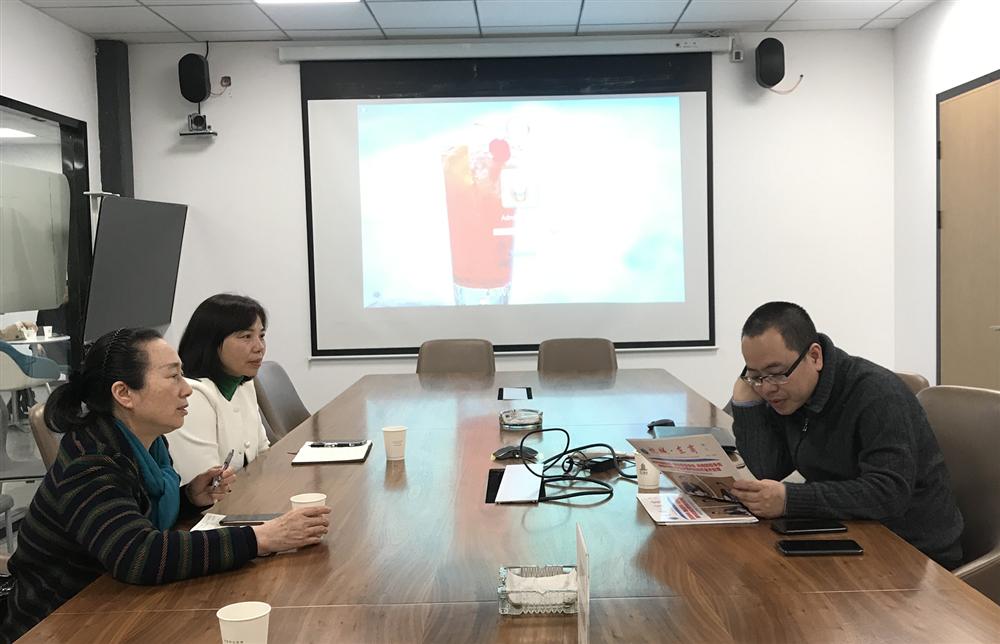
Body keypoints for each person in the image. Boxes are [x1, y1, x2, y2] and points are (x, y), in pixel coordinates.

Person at [0, 328, 329, 641]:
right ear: (124, 393)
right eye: (173, 376)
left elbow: (130, 514)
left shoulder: (151, 443)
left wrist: (188, 498)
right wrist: (261, 538)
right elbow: (137, 554)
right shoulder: (91, 461)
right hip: (60, 622)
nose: (187, 389)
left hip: (115, 602)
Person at [728, 301, 964, 569]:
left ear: (814, 357)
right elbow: (768, 468)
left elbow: (888, 493)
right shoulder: (791, 394)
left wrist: (789, 500)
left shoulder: (877, 395)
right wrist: (746, 403)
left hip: (914, 550)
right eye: (755, 376)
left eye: (775, 374)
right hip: (849, 529)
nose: (767, 388)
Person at [169, 294, 270, 485]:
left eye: (262, 336)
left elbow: (263, 452)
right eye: (246, 336)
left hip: (247, 492)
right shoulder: (191, 395)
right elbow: (207, 486)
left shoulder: (243, 383)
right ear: (211, 342)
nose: (259, 347)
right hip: (217, 502)